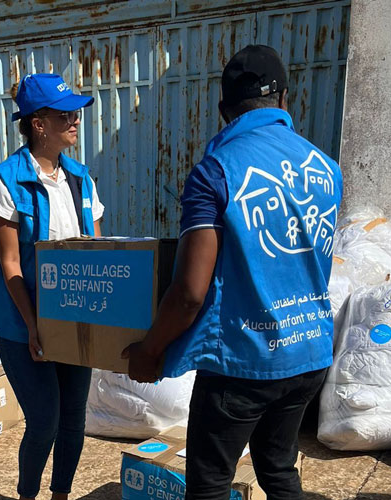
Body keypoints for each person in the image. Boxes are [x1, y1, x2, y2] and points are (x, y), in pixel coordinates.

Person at [123, 45, 343, 500]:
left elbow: (189, 292)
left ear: (224, 111)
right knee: (279, 470)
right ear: (286, 98)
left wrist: (151, 349)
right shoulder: (326, 168)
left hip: (245, 362)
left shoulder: (216, 172)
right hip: (309, 353)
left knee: (209, 484)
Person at [0, 73, 104, 500]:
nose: (75, 119)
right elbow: (10, 264)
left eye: (76, 111)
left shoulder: (82, 180)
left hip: (72, 318)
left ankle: (61, 495)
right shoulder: (4, 183)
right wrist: (33, 325)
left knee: (73, 420)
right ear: (37, 123)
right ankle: (27, 495)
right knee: (44, 420)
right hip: (21, 322)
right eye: (64, 113)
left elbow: (97, 253)